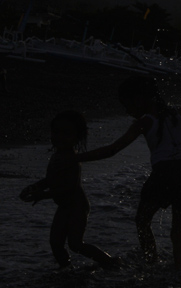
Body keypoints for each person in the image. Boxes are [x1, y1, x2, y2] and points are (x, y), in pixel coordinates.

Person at [76, 76, 181, 270]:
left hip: (163, 174)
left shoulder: (145, 122)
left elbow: (112, 150)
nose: (127, 111)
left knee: (142, 221)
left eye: (127, 105)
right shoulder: (179, 114)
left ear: (141, 99)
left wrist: (76, 158)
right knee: (178, 231)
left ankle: (151, 263)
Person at [19, 110, 120, 269]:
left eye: (66, 133)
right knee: (55, 243)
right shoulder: (57, 156)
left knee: (76, 244)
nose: (59, 136)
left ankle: (110, 262)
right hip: (64, 207)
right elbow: (50, 180)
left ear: (77, 137)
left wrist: (42, 195)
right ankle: (66, 270)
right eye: (56, 132)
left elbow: (68, 188)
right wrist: (35, 187)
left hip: (77, 207)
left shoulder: (72, 159)